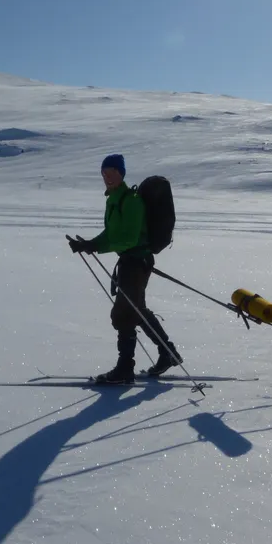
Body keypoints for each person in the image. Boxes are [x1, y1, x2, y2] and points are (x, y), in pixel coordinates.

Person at [68, 154, 181, 384]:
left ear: (121, 173)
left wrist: (96, 248)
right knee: (137, 310)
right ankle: (168, 353)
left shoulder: (131, 201)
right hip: (130, 262)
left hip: (137, 262)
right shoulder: (113, 200)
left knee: (123, 315)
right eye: (104, 173)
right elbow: (111, 235)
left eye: (112, 172)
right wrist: (88, 244)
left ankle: (125, 370)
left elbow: (128, 239)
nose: (107, 177)